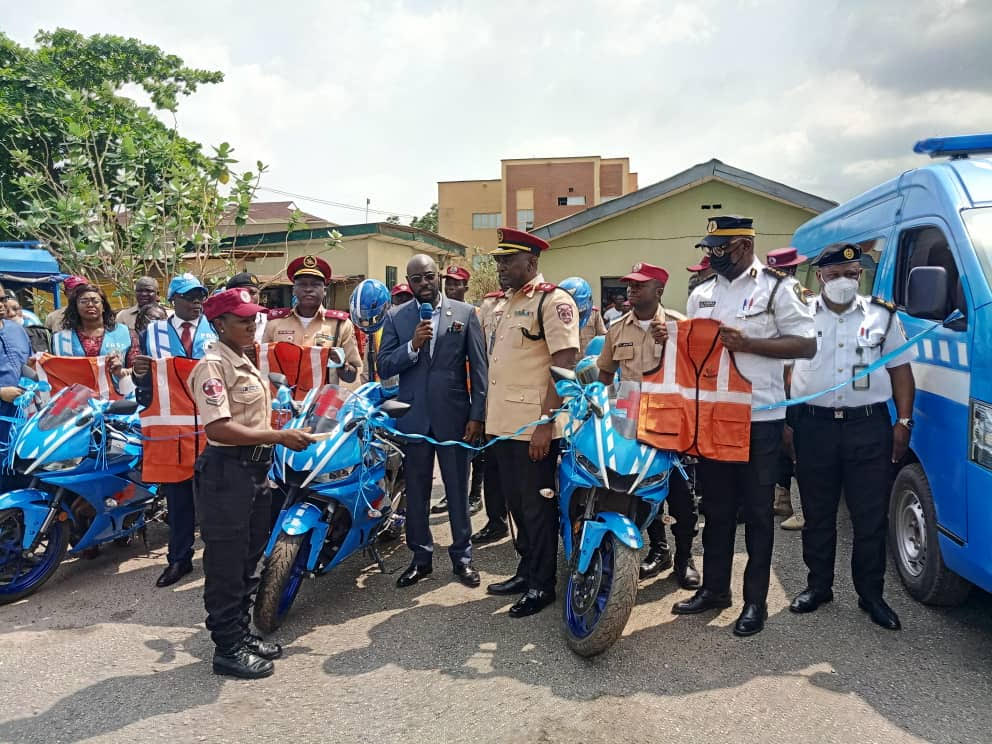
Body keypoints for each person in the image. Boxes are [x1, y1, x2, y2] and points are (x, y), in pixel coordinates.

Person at [672, 216, 815, 637]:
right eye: (708, 250)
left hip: (759, 421)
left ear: (741, 246)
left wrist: (751, 344)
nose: (710, 257)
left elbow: (806, 344)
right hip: (714, 422)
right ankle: (715, 591)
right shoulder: (702, 295)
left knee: (756, 514)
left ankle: (755, 603)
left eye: (717, 249)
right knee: (715, 512)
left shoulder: (776, 289)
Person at [189, 288, 315, 679]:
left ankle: (241, 636)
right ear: (219, 324)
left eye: (253, 317)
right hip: (227, 473)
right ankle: (227, 649)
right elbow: (219, 428)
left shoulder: (243, 359)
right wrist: (278, 438)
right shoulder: (212, 366)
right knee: (226, 566)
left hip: (256, 474)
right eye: (242, 319)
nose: (251, 324)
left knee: (247, 560)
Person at [788, 243, 915, 631]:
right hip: (814, 426)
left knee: (870, 516)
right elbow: (784, 372)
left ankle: (871, 595)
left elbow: (900, 371)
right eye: (835, 274)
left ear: (859, 275)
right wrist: (786, 423)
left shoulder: (882, 316)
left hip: (867, 426)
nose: (844, 280)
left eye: (852, 274)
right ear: (820, 276)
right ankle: (818, 586)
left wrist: (904, 422)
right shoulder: (799, 317)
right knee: (818, 514)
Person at [485, 227, 579, 618]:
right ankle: (526, 570)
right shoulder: (506, 303)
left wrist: (546, 424)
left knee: (538, 509)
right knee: (516, 506)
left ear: (532, 262)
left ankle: (543, 585)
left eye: (508, 260)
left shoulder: (553, 301)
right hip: (504, 425)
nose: (501, 267)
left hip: (533, 427)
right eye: (498, 261)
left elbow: (566, 362)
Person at [378, 254, 487, 589]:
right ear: (408, 284)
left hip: (454, 417)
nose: (423, 284)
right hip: (413, 418)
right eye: (416, 279)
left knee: (456, 490)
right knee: (418, 493)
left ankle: (462, 559)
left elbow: (480, 370)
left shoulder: (466, 314)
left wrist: (477, 415)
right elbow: (384, 366)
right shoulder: (397, 317)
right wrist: (412, 345)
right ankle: (420, 558)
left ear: (438, 277)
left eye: (428, 277)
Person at [596, 262, 701, 589]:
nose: (631, 289)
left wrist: (673, 343)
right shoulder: (616, 328)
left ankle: (685, 560)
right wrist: (601, 408)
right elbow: (605, 374)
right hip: (631, 423)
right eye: (629, 284)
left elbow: (698, 373)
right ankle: (659, 549)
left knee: (683, 497)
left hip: (673, 424)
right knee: (640, 490)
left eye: (639, 285)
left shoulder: (680, 325)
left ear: (659, 290)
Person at [133, 274, 217, 589]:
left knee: (212, 499)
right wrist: (140, 374)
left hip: (211, 425)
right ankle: (179, 559)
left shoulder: (217, 327)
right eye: (189, 296)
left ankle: (215, 559)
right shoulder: (151, 333)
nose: (196, 302)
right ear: (172, 300)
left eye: (200, 296)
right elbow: (146, 381)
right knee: (179, 500)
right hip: (172, 430)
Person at [765, 246, 811, 531]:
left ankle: (806, 508)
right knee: (780, 445)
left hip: (797, 386)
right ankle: (782, 500)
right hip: (775, 385)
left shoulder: (803, 300)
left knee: (797, 446)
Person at [263, 256, 360, 385]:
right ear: (294, 290)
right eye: (302, 284)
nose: (308, 289)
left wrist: (341, 364)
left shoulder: (340, 325)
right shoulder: (275, 323)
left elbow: (351, 376)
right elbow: (264, 366)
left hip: (322, 401)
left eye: (315, 284)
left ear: (324, 291)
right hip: (283, 401)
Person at [430, 264, 476, 515]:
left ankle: (472, 494)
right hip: (449, 398)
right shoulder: (435, 315)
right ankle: (454, 496)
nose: (451, 287)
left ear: (465, 287)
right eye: (448, 282)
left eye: (457, 283)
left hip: (469, 396)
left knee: (471, 455)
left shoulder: (472, 313)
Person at [471, 279, 511, 545]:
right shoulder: (488, 304)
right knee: (493, 464)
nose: (503, 269)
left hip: (523, 402)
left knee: (523, 472)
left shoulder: (540, 302)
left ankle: (528, 531)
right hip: (491, 398)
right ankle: (496, 521)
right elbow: (479, 353)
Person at [52, 283, 138, 387]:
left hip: (117, 398)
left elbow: (137, 369)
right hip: (76, 399)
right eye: (84, 301)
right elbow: (54, 373)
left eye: (95, 301)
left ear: (103, 306)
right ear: (76, 307)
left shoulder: (125, 333)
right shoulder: (61, 338)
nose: (90, 305)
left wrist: (122, 372)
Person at [0, 282, 33, 489]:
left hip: (21, 420)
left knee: (22, 475)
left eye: (2, 299)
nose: (1, 305)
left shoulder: (16, 330)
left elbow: (27, 365)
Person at [559, 277, 607, 354]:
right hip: (567, 360)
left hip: (589, 360)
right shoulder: (557, 314)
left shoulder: (594, 313)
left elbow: (603, 336)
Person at [226, 272, 267, 342]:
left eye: (253, 293)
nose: (248, 298)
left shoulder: (270, 321)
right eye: (243, 293)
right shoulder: (222, 322)